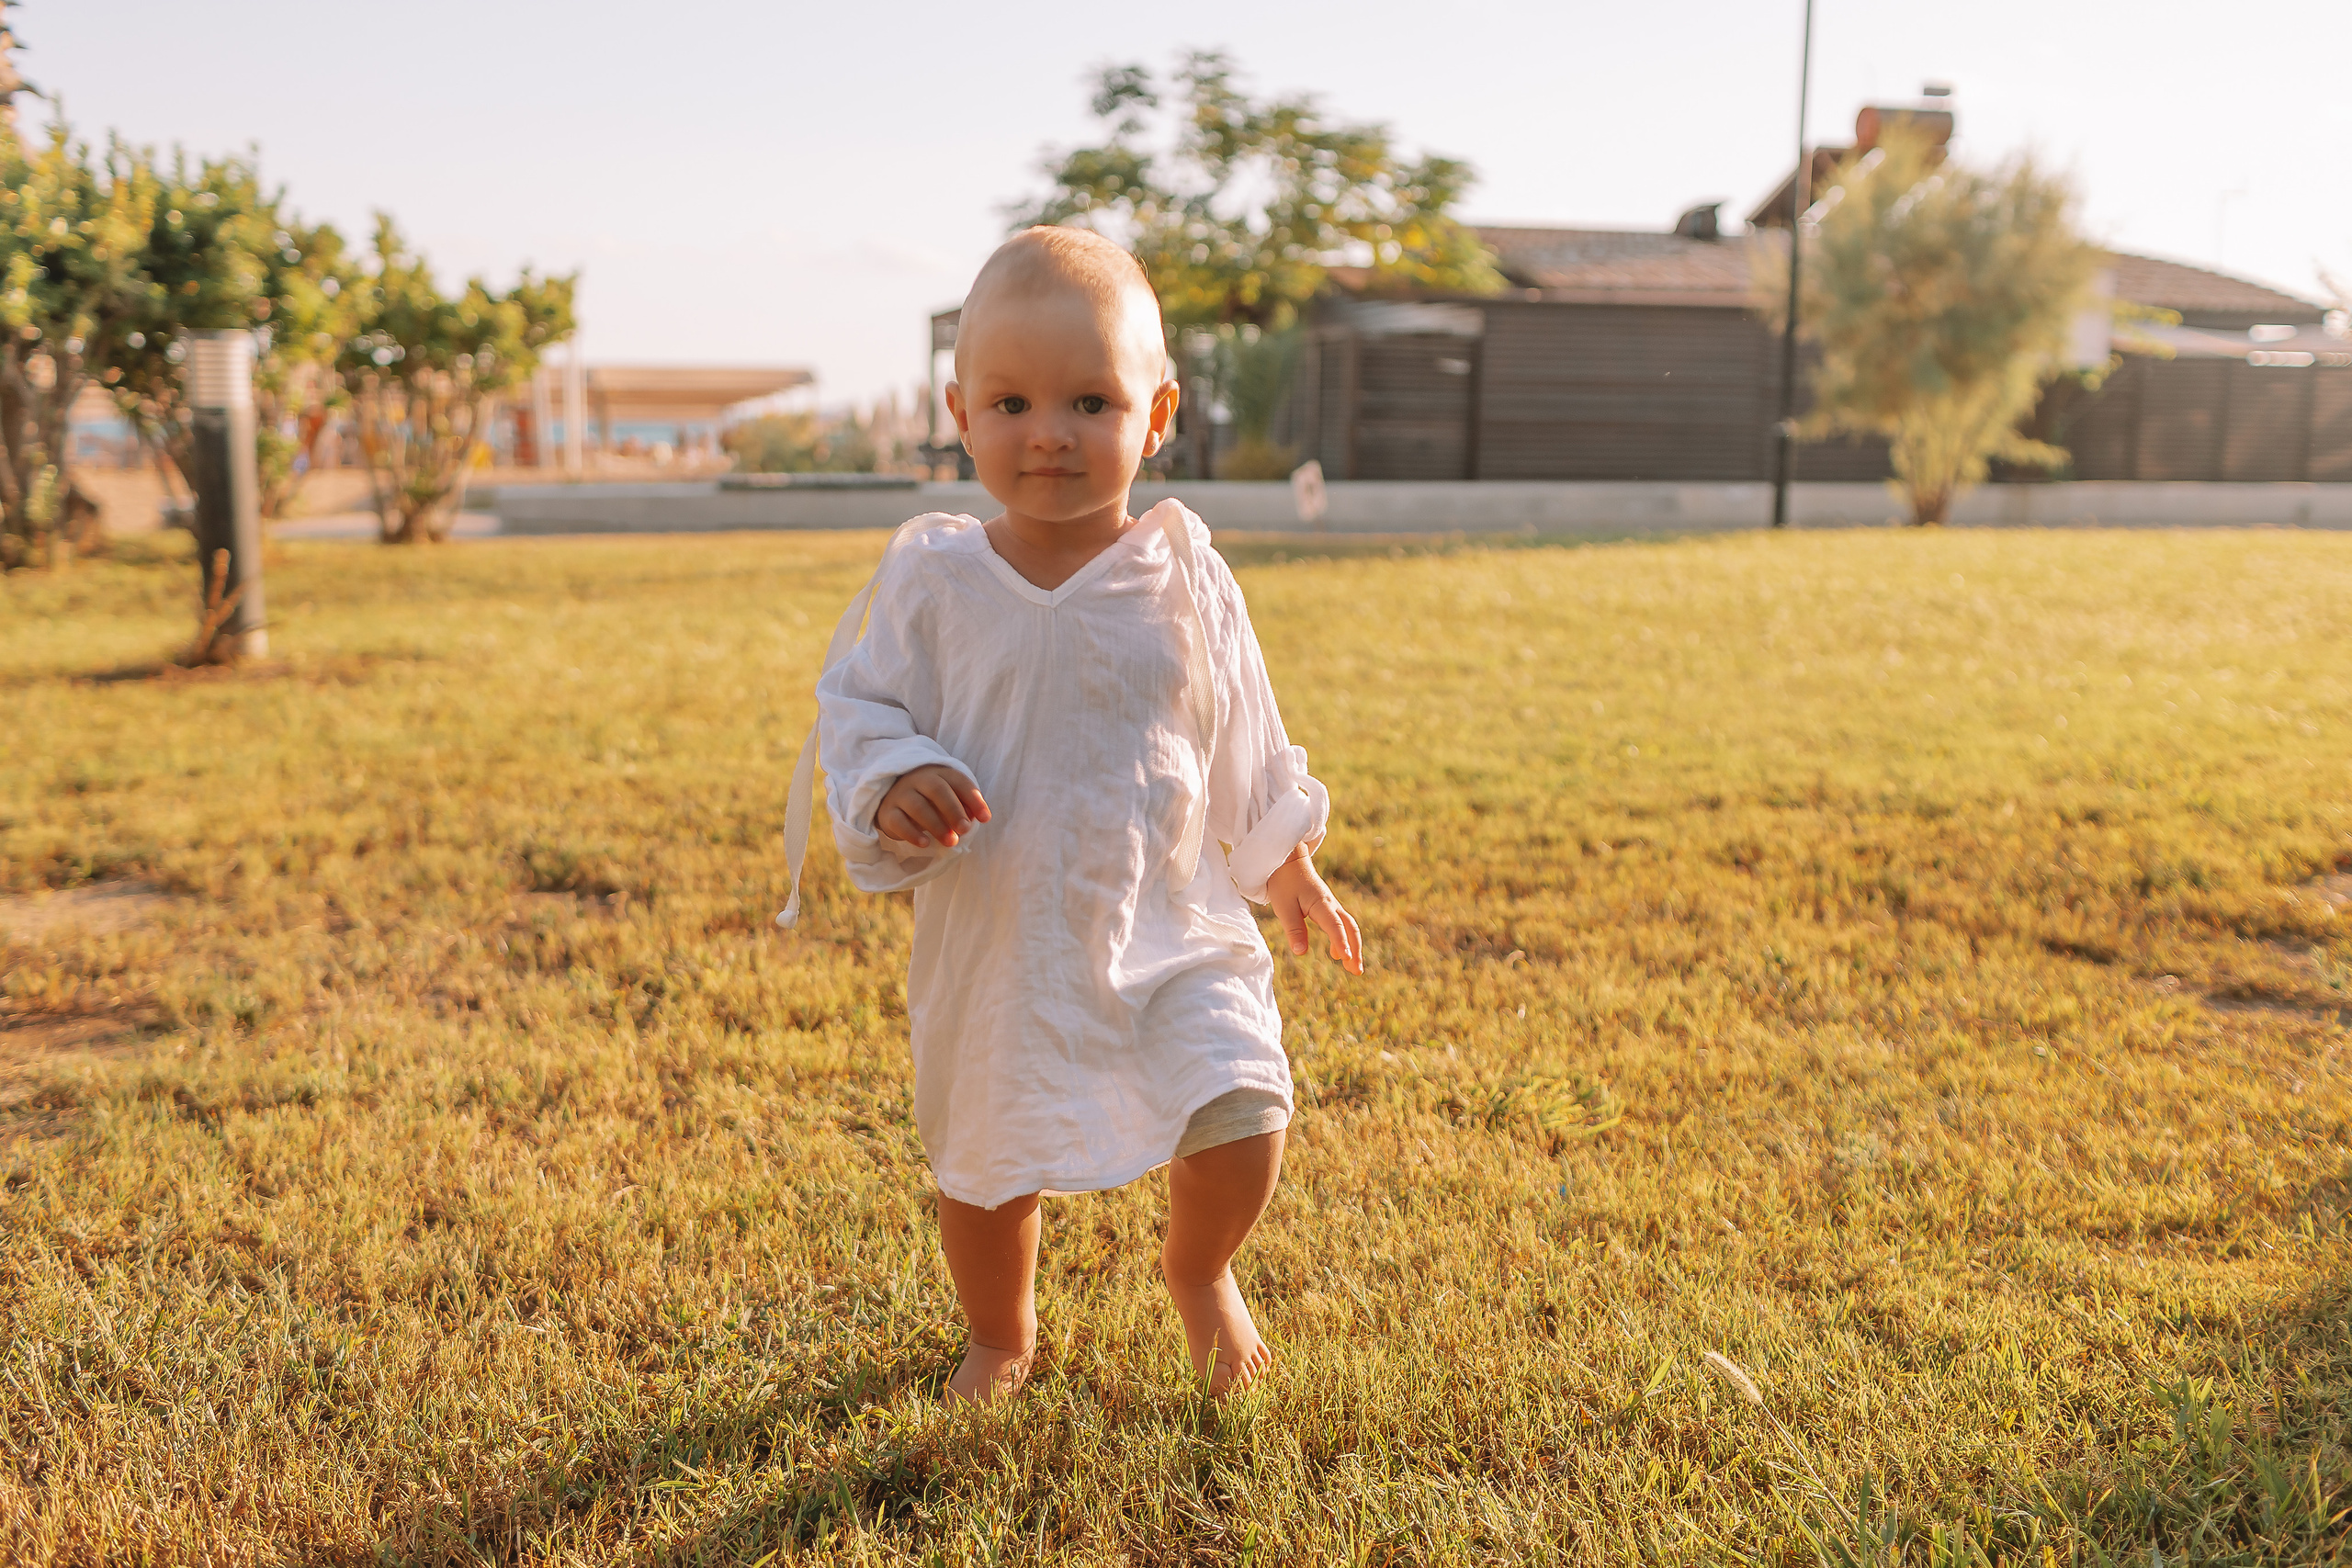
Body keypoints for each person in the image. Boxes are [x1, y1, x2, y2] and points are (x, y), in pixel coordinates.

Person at [803, 226, 1362, 1404]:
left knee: (1243, 1100)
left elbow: (1241, 724)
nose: (1047, 430)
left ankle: (1200, 1272)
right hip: (1001, 940)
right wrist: (893, 775)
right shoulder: (934, 579)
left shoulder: (1181, 572)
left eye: (1089, 400)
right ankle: (999, 1336)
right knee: (987, 1158)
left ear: (1156, 417)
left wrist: (1286, 859)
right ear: (959, 413)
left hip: (1171, 919)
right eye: (1010, 401)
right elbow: (856, 710)